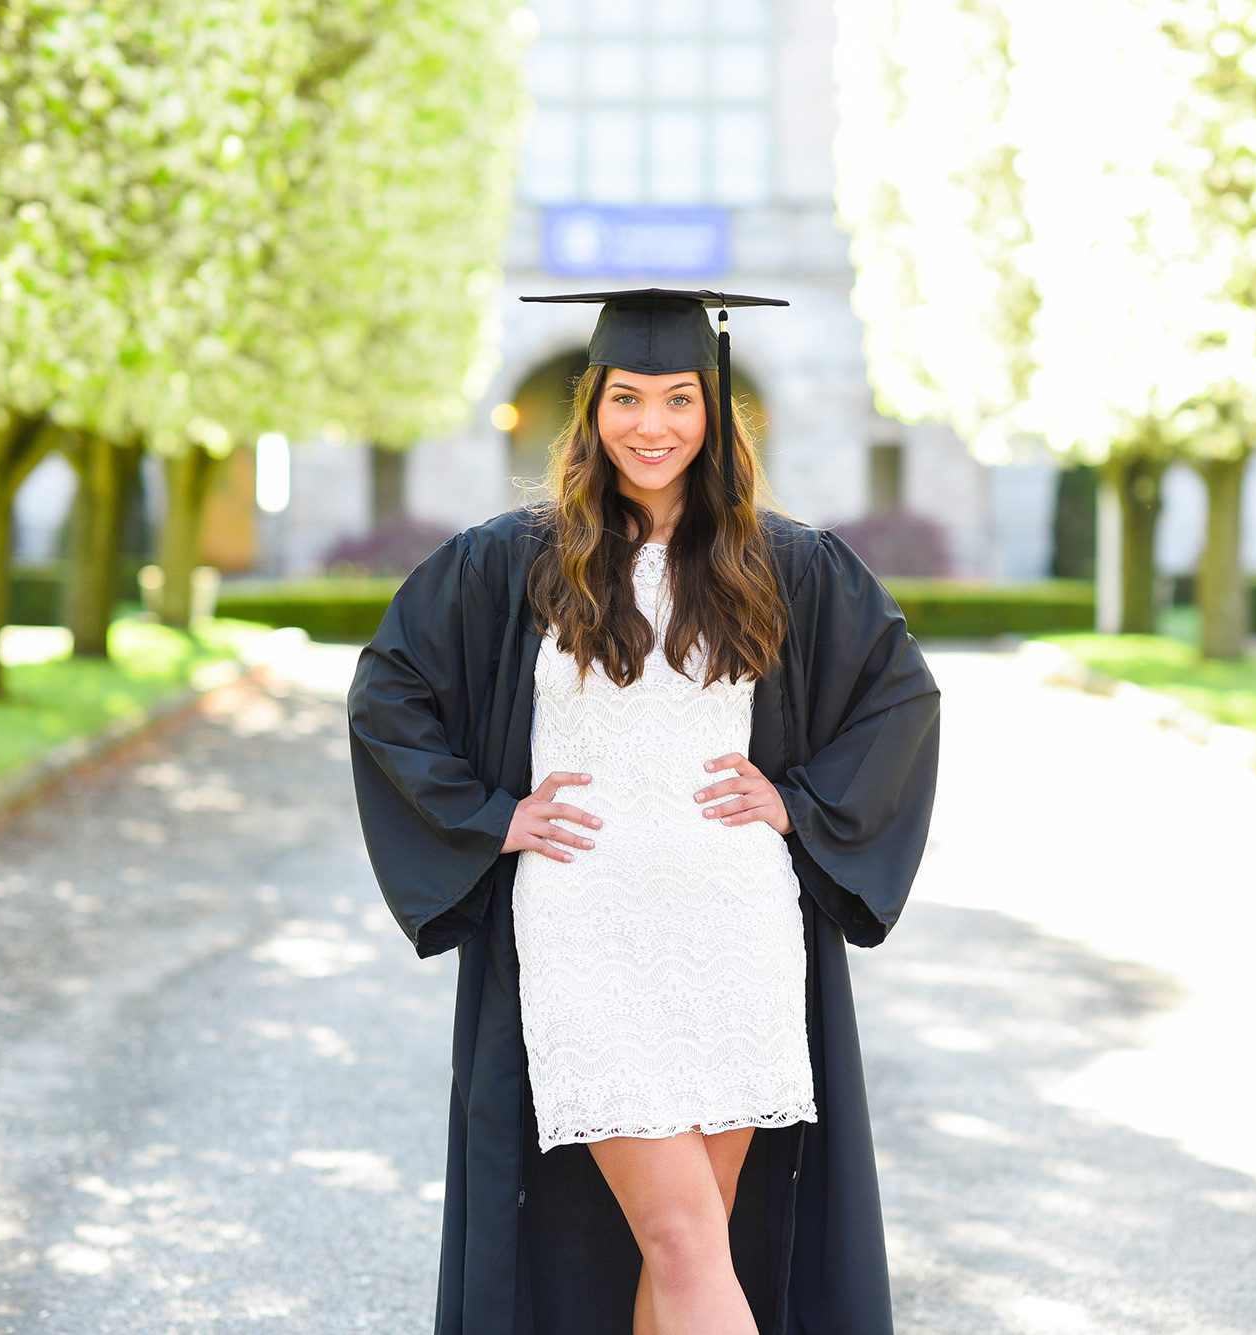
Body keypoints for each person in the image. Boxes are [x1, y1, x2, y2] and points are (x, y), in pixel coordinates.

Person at [347, 288, 943, 1334]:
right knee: (677, 1236)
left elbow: (899, 699)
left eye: (678, 399)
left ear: (714, 414)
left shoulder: (781, 561)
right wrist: (495, 814)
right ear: (591, 409)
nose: (651, 424)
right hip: (587, 926)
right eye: (626, 397)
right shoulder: (513, 559)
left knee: (695, 1235)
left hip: (736, 922)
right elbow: (388, 692)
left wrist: (797, 803)